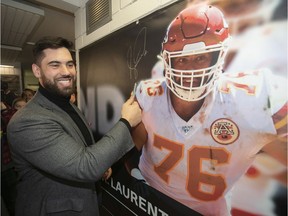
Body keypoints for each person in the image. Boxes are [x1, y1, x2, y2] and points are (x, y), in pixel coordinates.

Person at [130, 4, 287, 216]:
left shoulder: (253, 97)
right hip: (153, 203)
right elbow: (130, 147)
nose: (190, 70)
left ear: (218, 57)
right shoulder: (150, 93)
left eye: (200, 57)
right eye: (182, 59)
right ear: (168, 61)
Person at [7, 36, 142, 216]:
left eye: (70, 64)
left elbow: (79, 149)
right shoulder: (27, 121)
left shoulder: (67, 105)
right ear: (37, 71)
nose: (66, 71)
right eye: (55, 65)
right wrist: (126, 122)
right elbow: (84, 166)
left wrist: (101, 164)